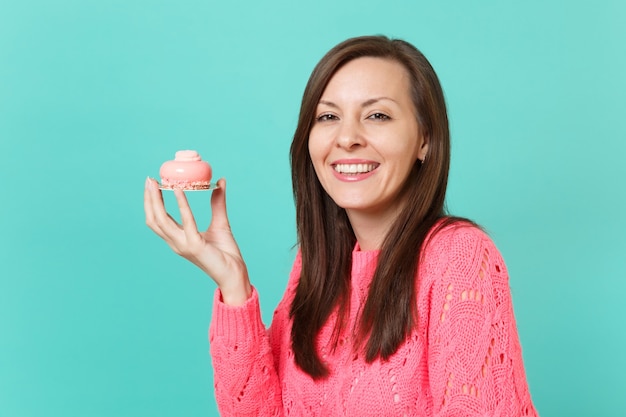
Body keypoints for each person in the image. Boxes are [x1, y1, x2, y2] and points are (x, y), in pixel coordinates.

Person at [144, 35, 539, 416]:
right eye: (329, 116)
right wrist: (233, 287)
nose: (347, 137)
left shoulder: (459, 257)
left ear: (425, 140)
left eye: (377, 115)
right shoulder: (318, 268)